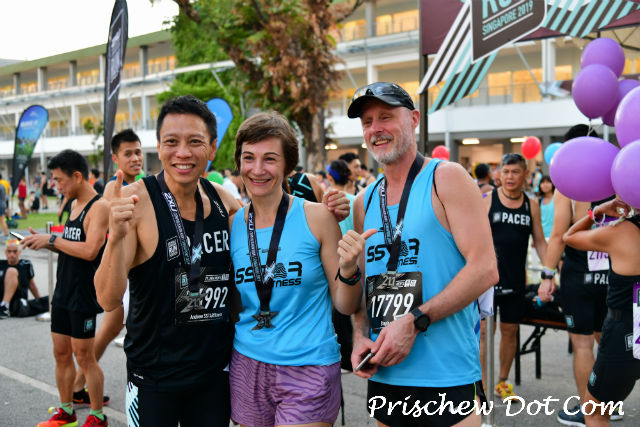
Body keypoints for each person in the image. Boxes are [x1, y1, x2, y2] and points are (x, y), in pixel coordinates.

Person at [346, 82, 498, 426]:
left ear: (414, 119)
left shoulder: (447, 178)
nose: (375, 129)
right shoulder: (364, 201)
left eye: (386, 117)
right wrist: (359, 336)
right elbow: (366, 287)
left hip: (447, 375)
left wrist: (414, 321)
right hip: (386, 372)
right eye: (367, 122)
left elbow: (485, 268)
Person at [94, 95, 243, 427]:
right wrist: (115, 238)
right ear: (159, 147)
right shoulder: (135, 203)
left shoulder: (226, 203)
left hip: (212, 374)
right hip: (153, 376)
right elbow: (107, 299)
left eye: (195, 142)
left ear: (212, 148)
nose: (183, 153)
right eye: (172, 142)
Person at [228, 112, 365, 427]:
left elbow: (345, 304)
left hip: (309, 366)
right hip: (247, 363)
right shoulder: (233, 224)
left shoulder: (318, 218)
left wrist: (348, 269)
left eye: (270, 159)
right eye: (248, 158)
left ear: (288, 165)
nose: (257, 169)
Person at [22, 149, 109, 427]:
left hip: (83, 295)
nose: (56, 186)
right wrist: (45, 241)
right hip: (63, 292)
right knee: (60, 353)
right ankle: (66, 411)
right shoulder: (72, 204)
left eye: (59, 180)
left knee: (85, 357)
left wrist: (52, 240)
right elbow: (71, 247)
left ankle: (97, 416)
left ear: (77, 176)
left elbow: (91, 250)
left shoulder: (99, 207)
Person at [538, 125, 615, 426]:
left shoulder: (567, 186)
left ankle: (589, 410)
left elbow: (559, 235)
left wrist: (547, 276)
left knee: (583, 345)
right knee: (608, 342)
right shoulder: (617, 179)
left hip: (579, 274)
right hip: (615, 273)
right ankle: (609, 405)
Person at [72, 128, 144, 407]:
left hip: (139, 274)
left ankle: (80, 383)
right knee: (108, 332)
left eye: (138, 152)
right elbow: (109, 240)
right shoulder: (114, 189)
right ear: (115, 158)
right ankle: (80, 383)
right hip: (120, 276)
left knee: (111, 331)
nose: (135, 158)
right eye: (128, 154)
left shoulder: (145, 183)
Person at [564, 199, 640, 427]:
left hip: (626, 330)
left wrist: (596, 212)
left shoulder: (621, 232)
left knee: (595, 413)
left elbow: (569, 237)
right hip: (629, 329)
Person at [481, 152, 547, 399]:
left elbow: (540, 242)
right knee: (485, 332)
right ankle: (482, 384)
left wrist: (550, 271)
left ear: (525, 175)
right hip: (487, 280)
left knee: (510, 331)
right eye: (506, 171)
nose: (509, 177)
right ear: (499, 174)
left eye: (515, 172)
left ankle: (502, 382)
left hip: (516, 280)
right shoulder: (488, 200)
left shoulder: (532, 205)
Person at [0, 239, 48, 319]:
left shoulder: (25, 264)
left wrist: (39, 301)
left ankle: (5, 306)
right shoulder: (1, 264)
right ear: (5, 253)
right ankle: (4, 306)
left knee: (50, 300)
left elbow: (32, 285)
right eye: (9, 251)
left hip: (18, 303)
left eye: (15, 251)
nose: (12, 254)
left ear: (19, 252)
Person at [537, 175, 555, 240]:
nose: (545, 185)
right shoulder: (539, 200)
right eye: (543, 182)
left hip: (553, 236)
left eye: (548, 182)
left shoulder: (556, 199)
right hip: (541, 236)